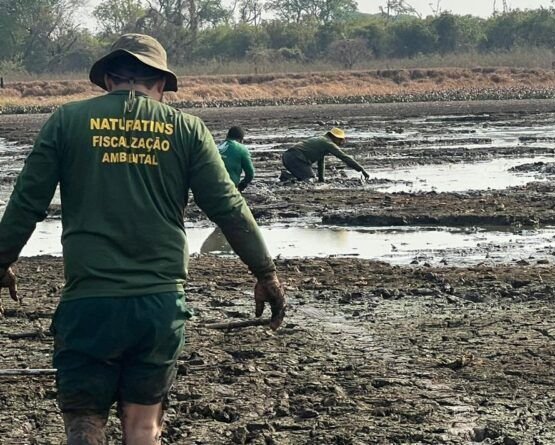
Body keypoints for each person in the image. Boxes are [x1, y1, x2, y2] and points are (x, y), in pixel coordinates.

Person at [0, 34, 286, 445]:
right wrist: (266, 273)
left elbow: (26, 204)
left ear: (109, 79)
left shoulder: (66, 121)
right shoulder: (188, 129)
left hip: (89, 305)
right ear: (160, 84)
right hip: (159, 308)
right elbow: (228, 208)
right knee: (143, 427)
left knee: (84, 423)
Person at [280, 128, 369, 182]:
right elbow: (344, 157)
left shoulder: (322, 141)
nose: (342, 143)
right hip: (296, 158)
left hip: (288, 157)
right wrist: (361, 169)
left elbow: (321, 162)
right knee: (309, 179)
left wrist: (321, 179)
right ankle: (287, 176)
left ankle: (286, 176)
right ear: (335, 137)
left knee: (303, 178)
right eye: (341, 140)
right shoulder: (328, 143)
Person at [217, 126, 255, 191]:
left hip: (210, 185)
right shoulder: (241, 148)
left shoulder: (217, 146)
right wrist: (243, 184)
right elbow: (250, 174)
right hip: (228, 187)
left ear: (227, 136)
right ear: (240, 140)